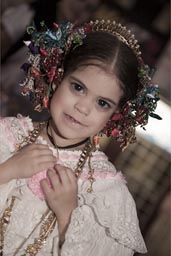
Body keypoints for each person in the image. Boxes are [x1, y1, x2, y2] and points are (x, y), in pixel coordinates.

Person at [0, 20, 161, 255]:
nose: (83, 108)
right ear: (57, 78)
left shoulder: (107, 190)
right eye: (78, 88)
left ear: (115, 116)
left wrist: (67, 214)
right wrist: (7, 170)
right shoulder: (8, 136)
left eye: (102, 103)